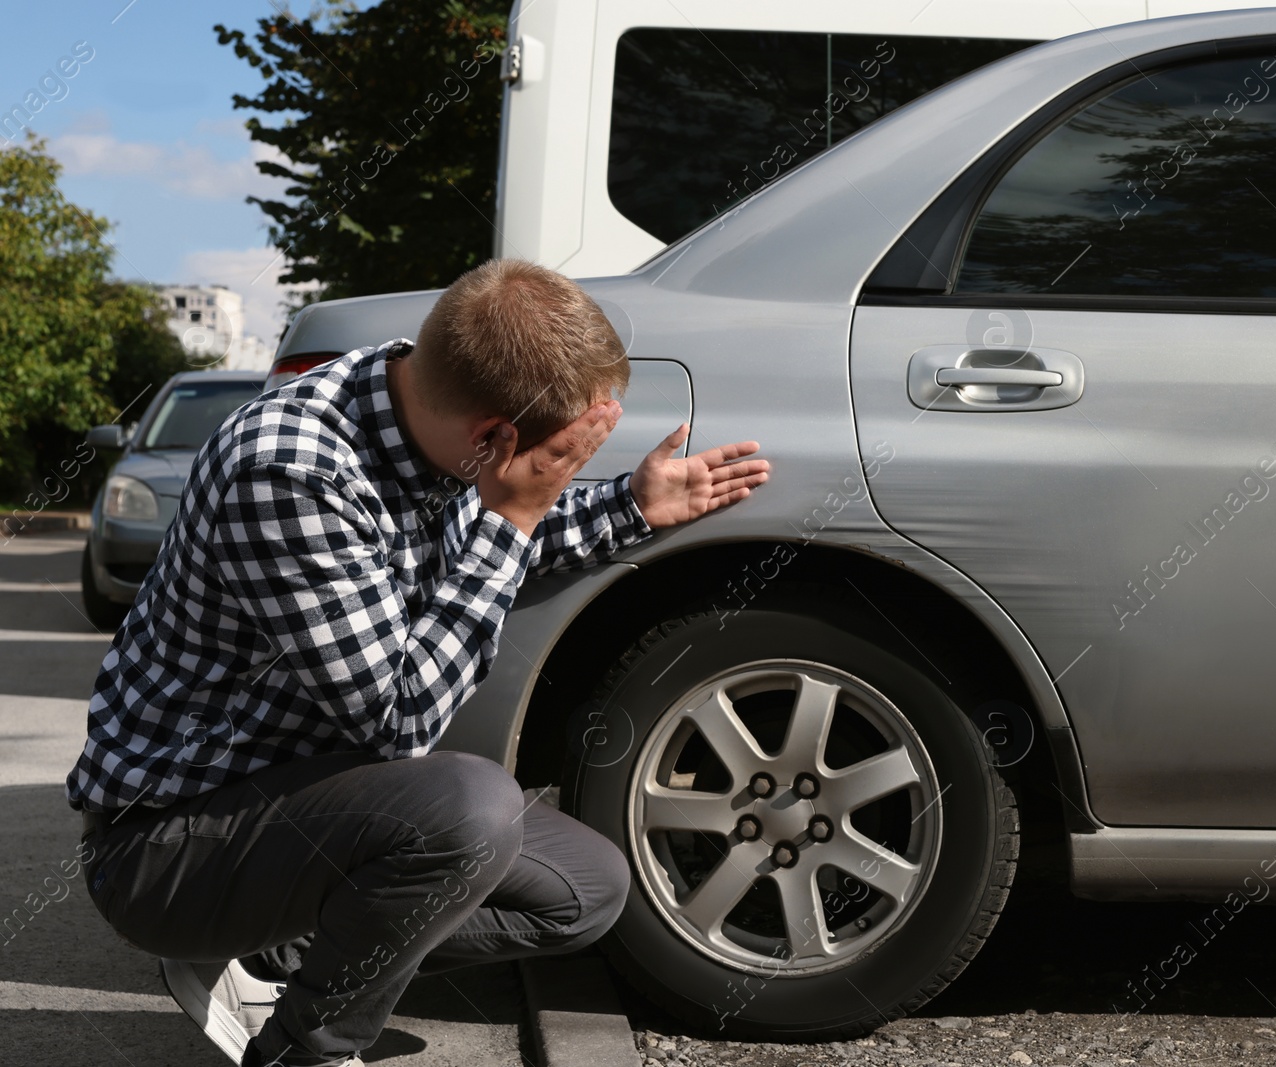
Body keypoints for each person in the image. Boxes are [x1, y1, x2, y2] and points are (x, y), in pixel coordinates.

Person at [64, 258, 771, 1066]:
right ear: (494, 440)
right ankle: (308, 1048)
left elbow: (483, 532)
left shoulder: (424, 406)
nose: (561, 473)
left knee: (588, 889)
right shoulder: (290, 469)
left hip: (304, 808)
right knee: (470, 804)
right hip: (169, 845)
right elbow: (399, 719)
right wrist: (515, 512)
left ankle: (274, 960)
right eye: (561, 459)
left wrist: (626, 504)